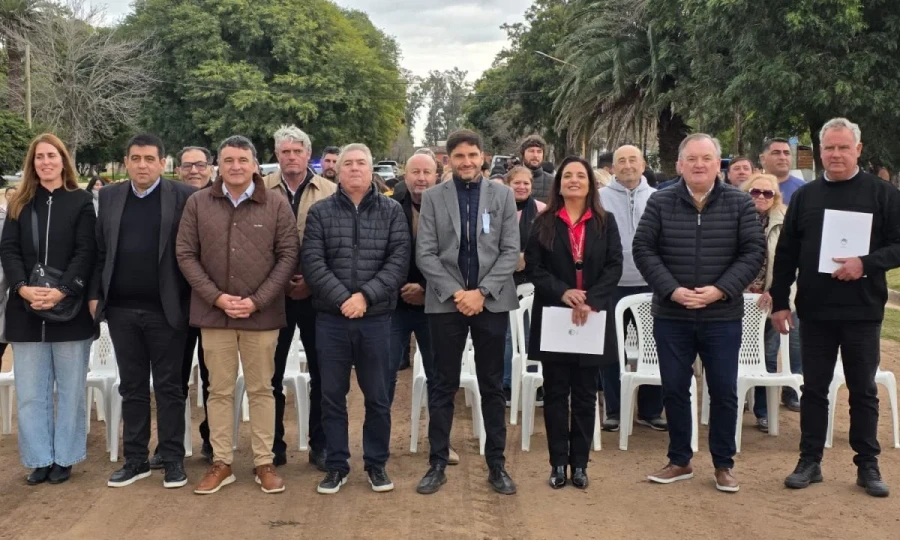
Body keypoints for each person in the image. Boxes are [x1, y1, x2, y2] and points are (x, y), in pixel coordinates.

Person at [774, 118, 900, 498]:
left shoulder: (883, 194)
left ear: (857, 150)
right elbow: (786, 252)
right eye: (829, 147)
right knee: (814, 389)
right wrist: (780, 302)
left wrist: (866, 263)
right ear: (820, 151)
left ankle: (867, 465)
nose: (836, 154)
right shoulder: (806, 196)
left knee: (863, 390)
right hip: (814, 311)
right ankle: (809, 461)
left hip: (862, 310)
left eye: (844, 147)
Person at [633, 133, 765, 493]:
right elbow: (643, 249)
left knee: (723, 390)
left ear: (717, 164)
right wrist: (672, 290)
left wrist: (720, 290)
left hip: (721, 315)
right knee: (675, 389)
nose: (699, 165)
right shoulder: (660, 201)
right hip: (672, 314)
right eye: (691, 158)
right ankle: (680, 459)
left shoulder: (739, 202)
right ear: (680, 164)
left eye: (706, 158)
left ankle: (724, 464)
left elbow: (753, 252)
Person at [176, 135, 298, 495]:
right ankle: (221, 462)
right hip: (215, 315)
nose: (236, 166)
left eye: (243, 160)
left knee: (262, 390)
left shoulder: (275, 203)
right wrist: (216, 298)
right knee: (218, 391)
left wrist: (257, 301)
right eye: (228, 160)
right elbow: (185, 254)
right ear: (218, 165)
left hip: (261, 316)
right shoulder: (199, 203)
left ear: (255, 165)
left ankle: (264, 462)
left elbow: (288, 255)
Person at [415, 129, 520, 495]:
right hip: (447, 302)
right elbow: (426, 253)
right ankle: (437, 463)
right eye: (459, 156)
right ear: (449, 160)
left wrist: (482, 292)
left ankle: (497, 465)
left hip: (492, 302)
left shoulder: (503, 195)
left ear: (482, 157)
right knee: (443, 383)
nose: (467, 161)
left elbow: (510, 251)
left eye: (472, 155)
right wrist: (459, 293)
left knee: (492, 385)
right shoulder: (434, 197)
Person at [302, 143, 409, 494]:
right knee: (332, 395)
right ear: (338, 170)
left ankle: (376, 464)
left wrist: (364, 297)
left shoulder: (392, 211)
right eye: (348, 163)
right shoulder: (320, 212)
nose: (354, 168)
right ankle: (336, 465)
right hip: (331, 319)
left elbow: (398, 262)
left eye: (361, 163)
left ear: (370, 168)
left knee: (377, 396)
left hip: (376, 319)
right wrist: (343, 299)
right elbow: (313, 263)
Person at [92, 134, 195, 489]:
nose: (142, 165)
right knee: (132, 388)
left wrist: (186, 305)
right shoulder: (109, 196)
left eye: (150, 159)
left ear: (163, 163)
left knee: (170, 388)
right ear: (126, 162)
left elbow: (192, 252)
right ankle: (135, 460)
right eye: (135, 158)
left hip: (166, 311)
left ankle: (172, 459)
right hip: (122, 311)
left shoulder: (183, 196)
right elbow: (100, 251)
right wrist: (96, 297)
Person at [0, 133, 96, 485]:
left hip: (70, 312)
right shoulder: (19, 203)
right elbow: (8, 250)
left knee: (70, 392)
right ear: (32, 163)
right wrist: (22, 288)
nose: (45, 162)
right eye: (39, 157)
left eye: (51, 155)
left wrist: (62, 291)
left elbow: (86, 251)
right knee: (30, 394)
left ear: (63, 160)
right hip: (25, 312)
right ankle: (39, 458)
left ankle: (65, 457)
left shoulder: (82, 201)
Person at [526, 156, 623, 489]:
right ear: (559, 183)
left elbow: (614, 265)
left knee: (584, 394)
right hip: (556, 315)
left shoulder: (605, 222)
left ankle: (579, 464)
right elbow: (534, 268)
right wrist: (563, 292)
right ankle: (557, 463)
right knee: (555, 394)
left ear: (590, 183)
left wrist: (591, 300)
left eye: (580, 175)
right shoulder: (544, 222)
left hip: (591, 318)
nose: (574, 180)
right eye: (568, 175)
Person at [263, 125, 336, 471]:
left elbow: (336, 245)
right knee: (270, 374)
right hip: (273, 297)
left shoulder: (330, 191)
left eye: (297, 151)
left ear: (309, 154)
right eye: (285, 152)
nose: (291, 157)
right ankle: (273, 445)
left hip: (317, 296)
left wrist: (311, 280)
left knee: (322, 374)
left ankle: (320, 445)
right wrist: (278, 282)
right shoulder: (260, 189)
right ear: (277, 155)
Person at [598, 145, 666, 433]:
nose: (627, 165)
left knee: (654, 348)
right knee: (611, 350)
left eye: (632, 160)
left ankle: (650, 411)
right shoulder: (599, 198)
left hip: (651, 284)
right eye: (621, 161)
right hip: (612, 285)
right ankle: (615, 410)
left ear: (643, 164)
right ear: (613, 167)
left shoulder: (658, 198)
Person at [160, 145, 215, 468]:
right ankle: (170, 443)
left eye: (200, 165)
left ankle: (212, 440)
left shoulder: (222, 199)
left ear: (210, 167)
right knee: (174, 378)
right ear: (178, 169)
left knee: (213, 379)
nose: (194, 170)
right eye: (187, 165)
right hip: (175, 304)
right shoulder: (167, 200)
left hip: (213, 304)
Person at [740, 173, 802, 434]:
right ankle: (734, 405)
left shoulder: (786, 221)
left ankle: (764, 412)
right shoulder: (736, 217)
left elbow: (793, 264)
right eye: (755, 192)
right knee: (738, 357)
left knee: (767, 356)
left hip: (771, 301)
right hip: (739, 299)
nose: (761, 197)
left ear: (776, 197)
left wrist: (777, 292)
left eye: (768, 193)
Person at [388, 154, 438, 406]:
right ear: (405, 176)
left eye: (427, 172)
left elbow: (455, 256)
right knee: (384, 376)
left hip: (436, 305)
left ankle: (438, 432)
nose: (421, 178)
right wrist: (400, 287)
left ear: (436, 176)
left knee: (438, 378)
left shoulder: (448, 209)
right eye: (415, 172)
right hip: (394, 304)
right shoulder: (390, 207)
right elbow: (380, 254)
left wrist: (426, 289)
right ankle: (379, 433)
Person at [501, 165, 546, 404]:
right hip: (504, 282)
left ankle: (533, 382)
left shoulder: (541, 210)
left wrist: (527, 258)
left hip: (532, 282)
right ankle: (507, 384)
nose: (521, 187)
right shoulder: (497, 208)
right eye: (516, 183)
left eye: (526, 183)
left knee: (530, 334)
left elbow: (548, 244)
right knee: (508, 336)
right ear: (508, 184)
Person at [759, 138, 805, 205]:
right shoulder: (751, 188)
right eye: (776, 153)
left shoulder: (805, 189)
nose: (783, 157)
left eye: (787, 153)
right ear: (762, 159)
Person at [520, 134, 554, 202]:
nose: (535, 155)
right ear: (523, 154)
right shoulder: (509, 179)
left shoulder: (553, 182)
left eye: (539, 152)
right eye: (531, 151)